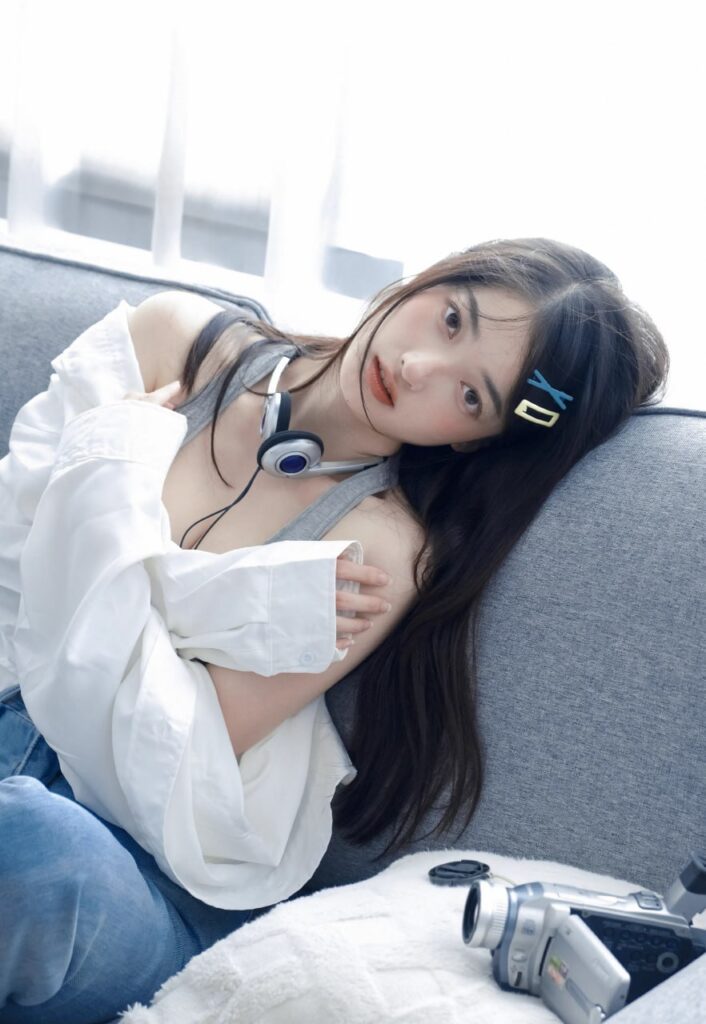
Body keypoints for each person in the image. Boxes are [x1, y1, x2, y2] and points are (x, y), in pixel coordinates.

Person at [0, 237, 668, 1023]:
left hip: (124, 867)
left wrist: (108, 467)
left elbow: (145, 751)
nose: (417, 367)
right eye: (452, 319)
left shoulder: (376, 548)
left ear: (475, 439)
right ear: (430, 276)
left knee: (31, 842)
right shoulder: (175, 336)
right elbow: (12, 565)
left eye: (469, 395)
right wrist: (193, 602)